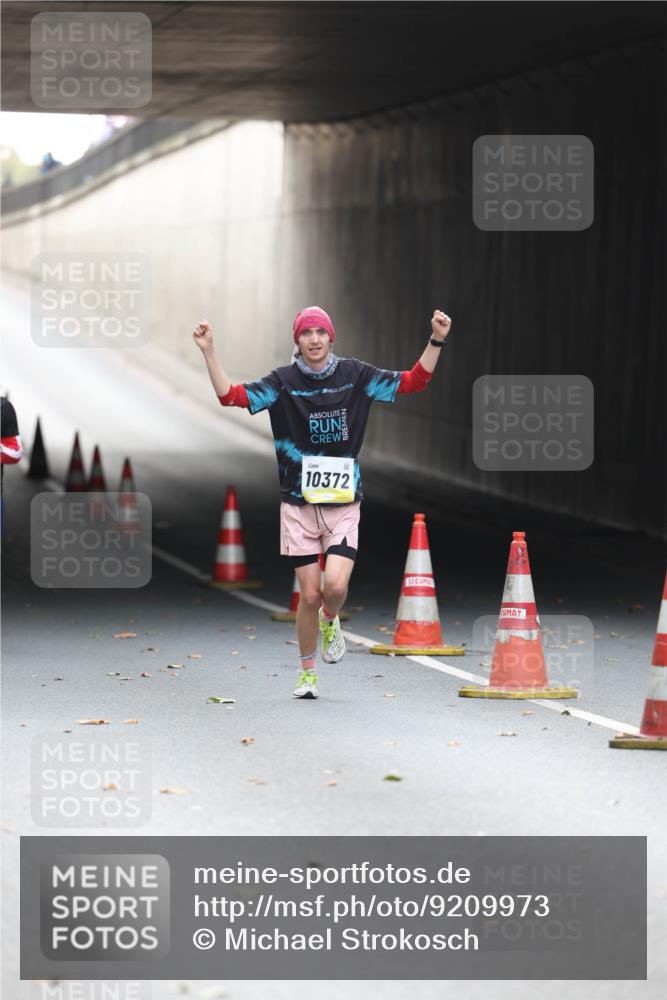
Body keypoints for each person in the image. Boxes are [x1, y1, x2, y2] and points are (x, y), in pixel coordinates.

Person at [193, 306, 452, 699]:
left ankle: (331, 620)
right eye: (305, 333)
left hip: (344, 503)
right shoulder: (282, 382)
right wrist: (209, 351)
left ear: (331, 338)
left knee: (333, 586)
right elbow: (231, 396)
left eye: (320, 332)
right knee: (308, 595)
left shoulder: (357, 376)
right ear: (296, 341)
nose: (313, 339)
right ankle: (307, 673)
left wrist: (436, 339)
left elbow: (413, 382)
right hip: (297, 506)